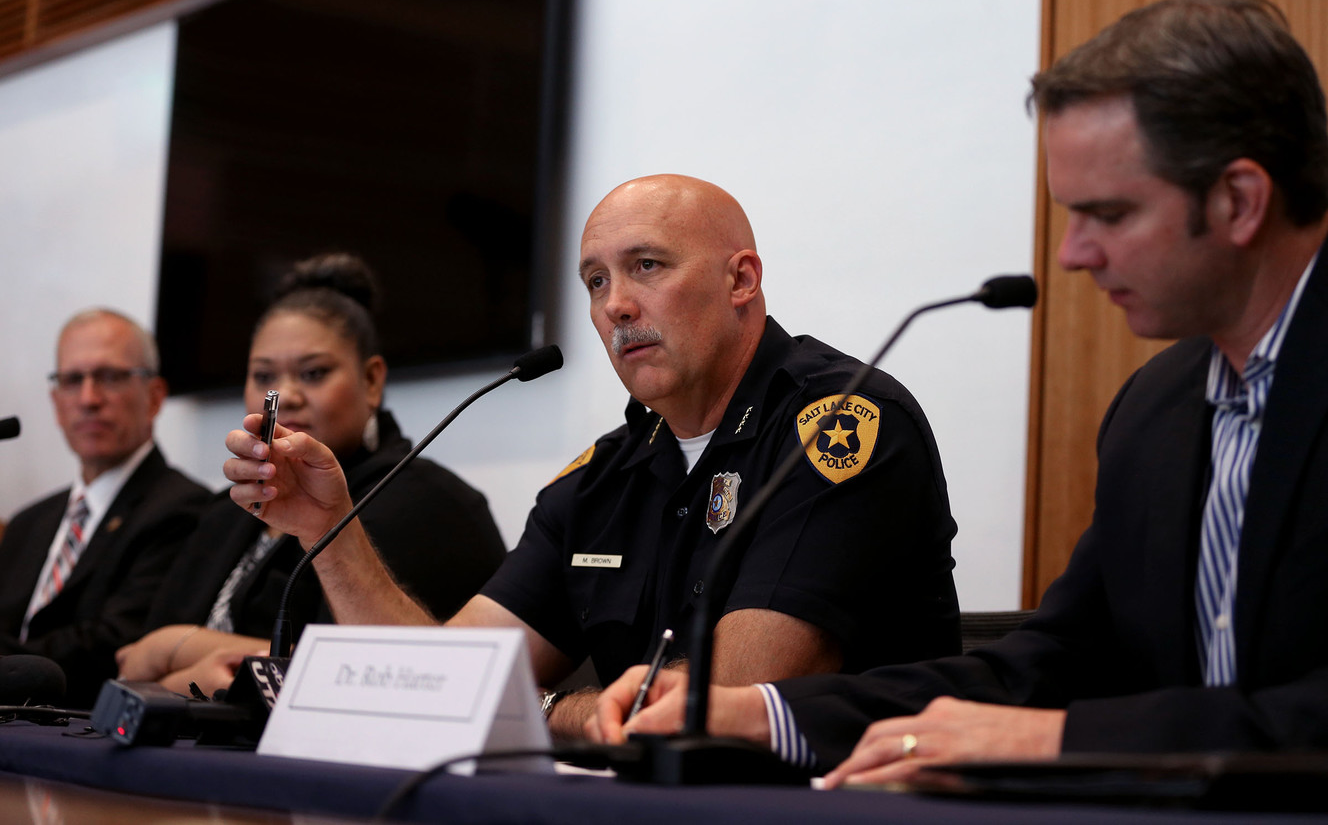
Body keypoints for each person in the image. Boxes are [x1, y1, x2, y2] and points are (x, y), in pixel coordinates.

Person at [591, 0, 1328, 782]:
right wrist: (760, 711)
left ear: (1239, 200)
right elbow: (1049, 666)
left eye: (1107, 214)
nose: (1073, 254)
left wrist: (1057, 742)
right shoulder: (1157, 410)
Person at [223, 174, 962, 739]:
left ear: (741, 280)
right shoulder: (604, 476)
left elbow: (727, 698)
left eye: (647, 266)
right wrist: (329, 527)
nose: (616, 306)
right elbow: (437, 681)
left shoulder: (839, 425)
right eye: (596, 281)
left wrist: (539, 710)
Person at [117, 254, 507, 696]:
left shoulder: (422, 499)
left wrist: (178, 649)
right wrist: (182, 673)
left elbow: (364, 672)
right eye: (264, 376)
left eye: (314, 373)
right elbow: (132, 660)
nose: (286, 397)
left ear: (372, 380)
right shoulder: (226, 508)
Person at [0, 309, 211, 705]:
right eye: (72, 380)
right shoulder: (29, 522)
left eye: (111, 377)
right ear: (56, 401)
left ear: (155, 396)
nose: (88, 398)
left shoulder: (185, 509)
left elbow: (111, 648)